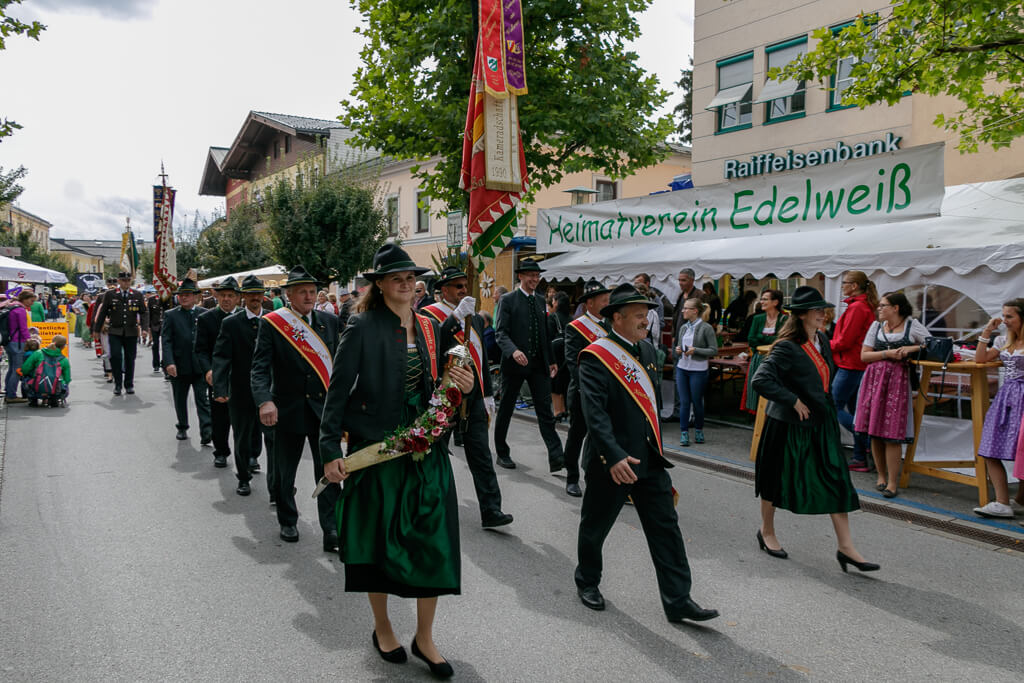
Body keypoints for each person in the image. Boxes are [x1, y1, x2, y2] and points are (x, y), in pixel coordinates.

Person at [320, 245, 475, 678]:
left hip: (426, 451)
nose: (406, 284)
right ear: (380, 285)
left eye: (411, 277)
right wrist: (330, 450)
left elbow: (449, 383)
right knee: (377, 545)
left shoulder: (431, 326)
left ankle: (424, 638)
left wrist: (465, 382)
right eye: (396, 278)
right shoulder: (361, 327)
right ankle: (383, 627)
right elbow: (337, 394)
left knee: (433, 543)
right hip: (378, 450)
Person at [574, 283, 718, 623]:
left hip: (648, 460)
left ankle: (678, 599)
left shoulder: (651, 354)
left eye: (647, 315)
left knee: (666, 527)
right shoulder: (596, 356)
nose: (646, 321)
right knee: (595, 526)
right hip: (612, 461)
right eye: (639, 315)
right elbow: (595, 414)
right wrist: (613, 455)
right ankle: (587, 581)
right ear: (617, 317)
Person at [752, 286, 879, 573]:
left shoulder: (821, 339)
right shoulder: (787, 346)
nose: (824, 313)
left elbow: (824, 382)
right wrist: (792, 400)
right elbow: (761, 380)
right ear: (803, 315)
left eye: (824, 309)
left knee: (836, 480)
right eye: (818, 310)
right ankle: (767, 531)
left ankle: (846, 548)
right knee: (774, 479)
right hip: (787, 425)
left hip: (820, 423)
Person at [251, 265, 341, 549]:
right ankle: (288, 520)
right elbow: (260, 367)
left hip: (322, 410)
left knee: (329, 470)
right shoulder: (273, 323)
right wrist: (265, 400)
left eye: (312, 291)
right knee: (283, 471)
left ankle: (332, 529)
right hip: (287, 409)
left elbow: (338, 367)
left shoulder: (330, 321)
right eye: (302, 291)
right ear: (289, 294)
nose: (308, 296)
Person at [421, 266, 513, 528]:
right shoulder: (429, 315)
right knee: (434, 453)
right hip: (444, 394)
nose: (463, 291)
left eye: (465, 286)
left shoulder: (472, 317)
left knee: (481, 453)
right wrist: (454, 317)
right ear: (444, 290)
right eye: (458, 286)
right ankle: (429, 506)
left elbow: (479, 355)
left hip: (472, 394)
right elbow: (433, 343)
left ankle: (491, 509)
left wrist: (486, 394)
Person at [493, 258, 565, 471]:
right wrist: (513, 350)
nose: (535, 278)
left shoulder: (541, 301)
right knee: (505, 408)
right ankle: (502, 452)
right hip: (514, 365)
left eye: (537, 275)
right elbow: (501, 333)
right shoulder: (508, 300)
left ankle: (556, 455)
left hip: (538, 365)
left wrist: (551, 360)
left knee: (545, 410)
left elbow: (544, 334)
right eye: (531, 275)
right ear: (521, 276)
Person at [853, 292, 926, 498]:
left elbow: (931, 344)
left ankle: (893, 482)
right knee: (875, 430)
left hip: (898, 382)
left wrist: (911, 348)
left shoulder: (912, 325)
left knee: (892, 434)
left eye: (883, 305)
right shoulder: (876, 327)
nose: (879, 309)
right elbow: (864, 355)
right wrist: (887, 354)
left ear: (896, 308)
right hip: (875, 380)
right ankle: (881, 476)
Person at [213, 275, 275, 498]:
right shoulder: (231, 323)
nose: (255, 298)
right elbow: (221, 357)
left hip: (269, 390)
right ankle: (243, 478)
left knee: (273, 439)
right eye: (250, 294)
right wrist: (220, 388)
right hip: (240, 389)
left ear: (263, 296)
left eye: (258, 293)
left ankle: (275, 484)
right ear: (243, 297)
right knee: (241, 435)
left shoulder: (274, 320)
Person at [972, 299, 1024, 518]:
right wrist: (986, 331)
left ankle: (1020, 500)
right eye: (1003, 316)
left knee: (1022, 450)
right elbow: (980, 359)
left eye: (1009, 316)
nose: (1004, 321)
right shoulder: (1003, 339)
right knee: (989, 447)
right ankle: (1002, 501)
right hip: (1005, 398)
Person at [563, 279, 611, 497]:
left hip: (607, 392)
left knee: (605, 435)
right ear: (590, 303)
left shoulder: (610, 326)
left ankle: (602, 476)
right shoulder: (576, 327)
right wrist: (588, 388)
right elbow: (573, 362)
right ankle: (572, 477)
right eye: (604, 300)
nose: (608, 303)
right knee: (577, 434)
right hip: (584, 391)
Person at [831, 271, 879, 472]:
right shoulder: (862, 306)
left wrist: (827, 344)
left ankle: (870, 443)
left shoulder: (858, 308)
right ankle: (860, 457)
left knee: (832, 405)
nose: (842, 285)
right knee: (856, 410)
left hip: (851, 364)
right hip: (856, 363)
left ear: (854, 285)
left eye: (845, 283)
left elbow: (845, 340)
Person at [195, 277, 240, 469]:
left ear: (238, 298)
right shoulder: (207, 319)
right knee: (219, 418)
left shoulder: (246, 318)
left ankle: (251, 455)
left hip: (241, 375)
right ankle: (221, 451)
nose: (226, 299)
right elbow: (200, 349)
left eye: (230, 295)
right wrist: (208, 370)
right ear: (216, 296)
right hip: (218, 376)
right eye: (222, 295)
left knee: (247, 419)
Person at [162, 278, 212, 444]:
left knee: (202, 399)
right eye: (181, 295)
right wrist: (169, 362)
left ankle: (207, 431)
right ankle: (182, 426)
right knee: (180, 398)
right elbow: (166, 340)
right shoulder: (171, 315)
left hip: (200, 366)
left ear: (195, 297)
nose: (184, 298)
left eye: (188, 295)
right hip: (179, 365)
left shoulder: (204, 314)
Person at [91, 271, 149, 396]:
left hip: (131, 331)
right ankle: (118, 384)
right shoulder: (110, 294)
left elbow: (144, 312)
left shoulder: (137, 295)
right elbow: (102, 313)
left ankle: (129, 384)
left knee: (130, 358)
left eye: (128, 280)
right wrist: (96, 330)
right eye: (123, 280)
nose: (126, 283)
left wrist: (144, 328)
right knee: (116, 357)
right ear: (119, 281)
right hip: (115, 331)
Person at [674, 297, 718, 447]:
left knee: (697, 402)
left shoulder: (706, 328)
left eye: (686, 308)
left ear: (695, 311)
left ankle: (699, 430)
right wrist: (678, 350)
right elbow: (679, 347)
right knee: (684, 402)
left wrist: (695, 350)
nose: (683, 311)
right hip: (682, 368)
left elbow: (714, 350)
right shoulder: (683, 327)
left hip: (698, 370)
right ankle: (684, 433)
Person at [741, 289, 788, 415]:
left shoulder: (784, 319)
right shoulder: (757, 318)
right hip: (758, 358)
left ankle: (773, 414)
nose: (761, 302)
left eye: (765, 299)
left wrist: (761, 338)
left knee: (774, 387)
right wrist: (769, 340)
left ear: (775, 302)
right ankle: (757, 415)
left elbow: (781, 340)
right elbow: (751, 339)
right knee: (756, 385)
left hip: (776, 358)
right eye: (761, 299)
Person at [21, 334, 71, 407]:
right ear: (63, 347)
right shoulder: (64, 359)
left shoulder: (38, 353)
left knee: (26, 379)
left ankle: (33, 399)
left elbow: (25, 369)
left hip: (36, 387)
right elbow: (67, 379)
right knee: (63, 383)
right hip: (55, 389)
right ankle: (55, 397)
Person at [4, 290, 35, 403]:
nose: (32, 303)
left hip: (9, 341)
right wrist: (30, 341)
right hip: (18, 342)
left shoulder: (11, 307)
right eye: (31, 300)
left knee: (11, 368)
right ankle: (11, 396)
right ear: (25, 299)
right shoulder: (20, 310)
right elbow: (23, 329)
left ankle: (8, 391)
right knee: (17, 370)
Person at [547, 290, 571, 420]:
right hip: (568, 354)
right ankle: (566, 409)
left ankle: (558, 411)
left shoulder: (553, 317)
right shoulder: (571, 319)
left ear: (556, 303)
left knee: (555, 384)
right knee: (567, 382)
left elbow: (548, 338)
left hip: (556, 354)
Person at [671, 268, 700, 336]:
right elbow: (676, 316)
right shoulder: (680, 295)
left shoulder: (700, 295)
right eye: (679, 280)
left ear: (692, 281)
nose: (680, 283)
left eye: (683, 280)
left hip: (691, 337)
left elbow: (703, 318)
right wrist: (673, 335)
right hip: (678, 336)